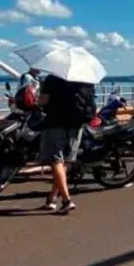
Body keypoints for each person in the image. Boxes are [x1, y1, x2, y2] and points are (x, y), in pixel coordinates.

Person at [38, 73, 97, 213]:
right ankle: (52, 199)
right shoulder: (86, 80)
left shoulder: (52, 79)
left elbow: (43, 101)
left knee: (56, 161)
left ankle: (66, 200)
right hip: (76, 126)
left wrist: (39, 103)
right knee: (63, 162)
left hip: (55, 124)